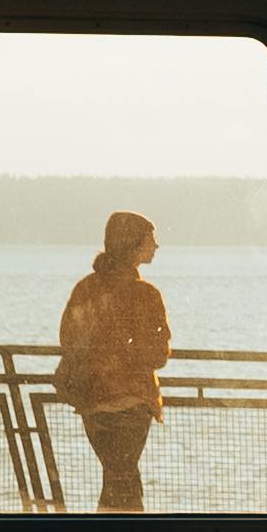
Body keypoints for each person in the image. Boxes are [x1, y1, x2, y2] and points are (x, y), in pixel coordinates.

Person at [54, 210, 173, 511]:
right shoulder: (145, 295)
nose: (156, 246)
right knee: (124, 479)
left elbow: (68, 340)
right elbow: (159, 354)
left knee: (118, 476)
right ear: (133, 246)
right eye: (150, 240)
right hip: (132, 402)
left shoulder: (86, 289)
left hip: (92, 401)